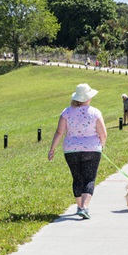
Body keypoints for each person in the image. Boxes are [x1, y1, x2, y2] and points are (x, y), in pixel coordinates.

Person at [48, 83, 107, 219]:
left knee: (77, 177)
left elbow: (59, 132)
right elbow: (103, 134)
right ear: (87, 98)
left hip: (71, 149)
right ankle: (84, 207)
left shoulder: (66, 112)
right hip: (92, 149)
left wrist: (52, 149)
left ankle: (79, 206)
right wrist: (102, 146)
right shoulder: (95, 113)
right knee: (89, 178)